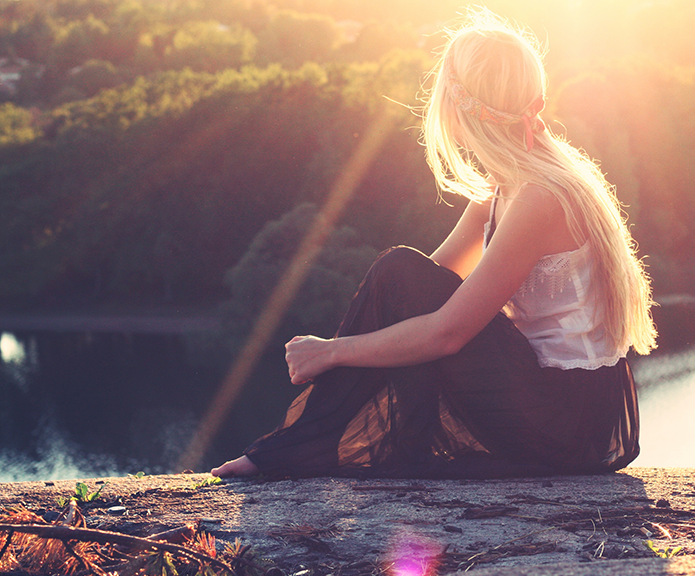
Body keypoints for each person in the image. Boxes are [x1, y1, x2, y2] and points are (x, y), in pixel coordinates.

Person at [211, 9, 657, 479]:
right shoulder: (508, 184)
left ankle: (303, 447)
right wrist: (345, 345)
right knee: (398, 269)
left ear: (458, 105)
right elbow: (413, 291)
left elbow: (448, 331)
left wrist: (332, 353)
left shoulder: (538, 198)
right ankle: (308, 445)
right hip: (560, 406)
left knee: (401, 276)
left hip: (569, 422)